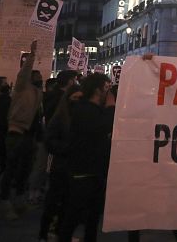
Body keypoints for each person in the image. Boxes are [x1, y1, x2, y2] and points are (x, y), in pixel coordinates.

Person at [58, 73, 115, 242]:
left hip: (94, 170)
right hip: (83, 171)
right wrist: (111, 107)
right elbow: (102, 127)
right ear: (97, 90)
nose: (108, 92)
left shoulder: (91, 109)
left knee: (92, 216)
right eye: (106, 88)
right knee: (74, 214)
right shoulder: (84, 109)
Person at [0, 40, 43, 220]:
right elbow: (24, 73)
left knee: (24, 170)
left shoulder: (38, 93)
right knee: (11, 169)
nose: (40, 78)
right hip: (16, 132)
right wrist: (31, 56)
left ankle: (18, 201)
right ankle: (5, 203)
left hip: (29, 135)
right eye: (37, 75)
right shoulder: (22, 87)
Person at [38, 85, 80, 242]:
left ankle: (61, 233)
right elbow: (50, 141)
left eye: (80, 98)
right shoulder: (60, 118)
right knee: (54, 201)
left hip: (74, 166)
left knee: (69, 202)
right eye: (75, 98)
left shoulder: (79, 117)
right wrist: (68, 148)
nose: (77, 101)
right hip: (60, 166)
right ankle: (45, 233)